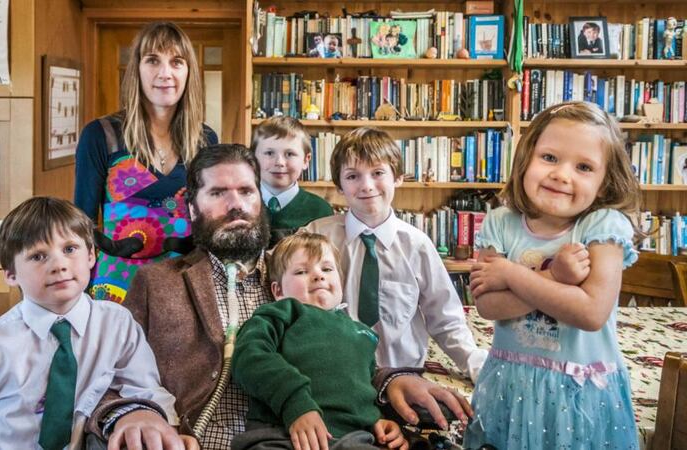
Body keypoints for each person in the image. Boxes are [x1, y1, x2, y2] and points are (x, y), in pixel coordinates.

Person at [85, 144, 472, 450]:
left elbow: (342, 351)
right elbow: (106, 374)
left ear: (260, 197)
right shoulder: (157, 283)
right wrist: (134, 415)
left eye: (246, 191)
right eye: (218, 192)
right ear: (192, 206)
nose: (235, 204)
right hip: (194, 438)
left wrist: (393, 381)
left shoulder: (301, 274)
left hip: (307, 438)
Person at [0, 197, 189, 450]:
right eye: (38, 256)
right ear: (10, 275)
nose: (59, 265)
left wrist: (165, 430)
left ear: (91, 256)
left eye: (69, 249)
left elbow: (144, 389)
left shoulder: (116, 324)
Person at [462, 101, 641, 449]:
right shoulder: (501, 221)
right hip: (510, 386)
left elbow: (590, 312)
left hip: (580, 392)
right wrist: (557, 279)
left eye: (584, 166)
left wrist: (512, 274)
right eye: (549, 158)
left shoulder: (603, 226)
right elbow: (488, 306)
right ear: (525, 159)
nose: (562, 174)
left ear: (605, 183)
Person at [304, 127, 487, 403]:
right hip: (335, 375)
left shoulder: (417, 245)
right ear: (340, 186)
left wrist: (473, 361)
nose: (366, 185)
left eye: (378, 173)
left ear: (398, 177)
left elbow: (444, 315)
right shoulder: (317, 236)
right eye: (353, 176)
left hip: (404, 376)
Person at [74, 21, 218, 303]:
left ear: (189, 72)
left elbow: (211, 220)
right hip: (117, 287)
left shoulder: (205, 140)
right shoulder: (101, 135)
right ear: (137, 69)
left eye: (177, 62)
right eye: (153, 60)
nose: (165, 73)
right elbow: (80, 225)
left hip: (185, 285)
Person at [231, 232, 408, 450]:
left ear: (340, 282)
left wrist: (377, 420)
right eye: (302, 271)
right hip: (280, 435)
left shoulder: (363, 333)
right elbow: (249, 357)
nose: (318, 276)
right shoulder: (282, 312)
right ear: (278, 291)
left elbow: (363, 388)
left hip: (354, 438)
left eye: (326, 269)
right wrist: (295, 402)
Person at [251, 117, 333, 246]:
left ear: (306, 160)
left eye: (289, 154)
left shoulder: (321, 211)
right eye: (269, 153)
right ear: (253, 158)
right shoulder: (242, 205)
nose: (279, 162)